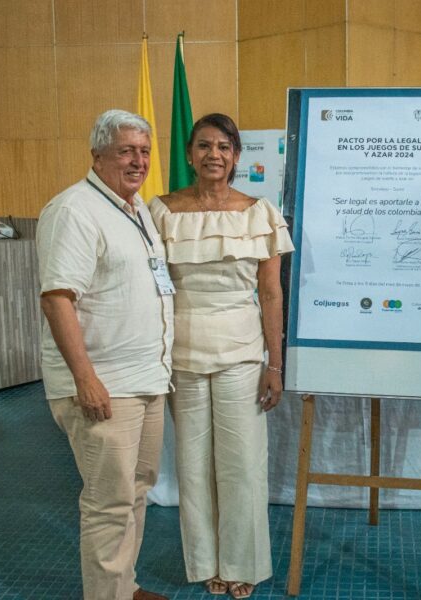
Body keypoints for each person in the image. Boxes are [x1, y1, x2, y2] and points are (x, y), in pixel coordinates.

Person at [149, 113, 294, 599]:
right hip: (180, 355)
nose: (214, 154)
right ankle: (206, 562)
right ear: (189, 154)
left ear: (236, 156)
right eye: (204, 145)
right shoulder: (161, 212)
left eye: (224, 146)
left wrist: (275, 364)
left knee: (242, 463)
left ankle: (241, 564)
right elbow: (150, 289)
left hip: (241, 354)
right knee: (192, 465)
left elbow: (271, 295)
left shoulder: (260, 212)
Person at [37, 110, 174, 600]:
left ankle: (124, 587)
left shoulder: (135, 209)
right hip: (104, 383)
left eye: (144, 151)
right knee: (107, 503)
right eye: (125, 151)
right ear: (97, 155)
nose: (138, 161)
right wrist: (85, 378)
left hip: (145, 379)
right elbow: (57, 298)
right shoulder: (74, 210)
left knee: (136, 492)